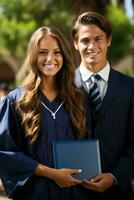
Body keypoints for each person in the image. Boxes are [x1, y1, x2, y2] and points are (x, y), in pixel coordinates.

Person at [0, 26, 90, 200]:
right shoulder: (15, 100)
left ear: (64, 55)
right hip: (35, 193)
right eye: (43, 52)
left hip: (75, 193)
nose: (50, 58)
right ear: (33, 56)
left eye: (57, 52)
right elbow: (5, 152)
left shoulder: (78, 99)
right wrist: (52, 174)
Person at [72, 11, 134, 199]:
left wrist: (114, 175)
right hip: (71, 191)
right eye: (85, 40)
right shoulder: (61, 87)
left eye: (98, 38)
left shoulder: (130, 87)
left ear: (109, 40)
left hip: (118, 193)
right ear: (75, 44)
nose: (92, 46)